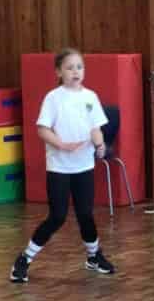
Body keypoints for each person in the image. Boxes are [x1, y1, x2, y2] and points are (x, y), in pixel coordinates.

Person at [11, 49, 115, 283]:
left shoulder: (90, 97)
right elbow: (43, 129)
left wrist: (100, 146)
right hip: (59, 167)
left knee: (85, 214)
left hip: (84, 167)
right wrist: (62, 145)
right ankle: (24, 259)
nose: (75, 72)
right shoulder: (53, 98)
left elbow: (96, 128)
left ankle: (93, 256)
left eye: (79, 67)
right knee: (57, 216)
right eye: (69, 67)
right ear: (59, 72)